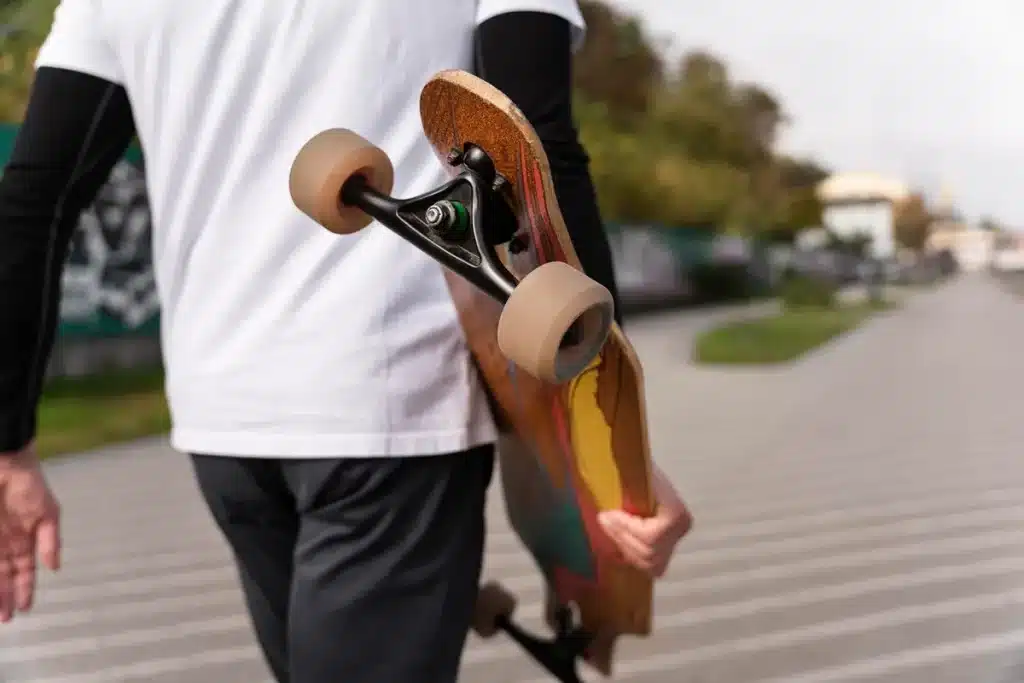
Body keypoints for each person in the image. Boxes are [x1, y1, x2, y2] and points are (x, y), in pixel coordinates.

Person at [0, 2, 692, 682]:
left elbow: (36, 198)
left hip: (225, 422)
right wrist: (609, 442)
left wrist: (10, 440)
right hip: (391, 412)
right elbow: (537, 156)